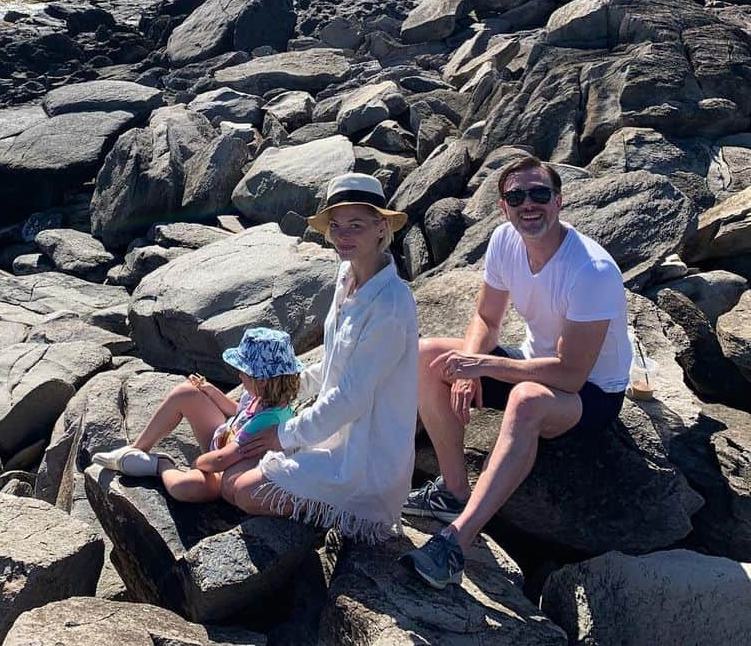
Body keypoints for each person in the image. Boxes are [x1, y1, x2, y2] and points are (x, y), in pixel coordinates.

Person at [401, 154, 632, 589]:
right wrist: (468, 365)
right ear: (504, 207)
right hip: (530, 363)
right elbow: (487, 319)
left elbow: (570, 376)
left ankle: (457, 541)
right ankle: (453, 491)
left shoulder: (591, 271)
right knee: (428, 355)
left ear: (559, 201)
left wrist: (485, 364)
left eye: (540, 193)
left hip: (592, 393)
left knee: (526, 400)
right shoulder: (505, 241)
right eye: (516, 196)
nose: (529, 204)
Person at [217, 173, 419, 543]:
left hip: (363, 456)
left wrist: (284, 433)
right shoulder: (346, 275)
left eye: (355, 225)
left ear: (381, 227)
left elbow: (353, 398)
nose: (342, 235)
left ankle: (341, 516)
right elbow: (333, 362)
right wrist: (283, 389)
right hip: (331, 431)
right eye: (336, 226)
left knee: (242, 489)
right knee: (231, 481)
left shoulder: (390, 304)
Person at [91, 327, 302, 503]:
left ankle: (161, 464)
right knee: (186, 393)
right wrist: (210, 391)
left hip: (228, 470)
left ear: (262, 379)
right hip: (223, 442)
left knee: (185, 486)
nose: (239, 374)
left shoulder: (270, 421)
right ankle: (135, 450)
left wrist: (199, 463)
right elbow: (238, 412)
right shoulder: (259, 396)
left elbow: (221, 460)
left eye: (244, 372)